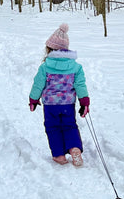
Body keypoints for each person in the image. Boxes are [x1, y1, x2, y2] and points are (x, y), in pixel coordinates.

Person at [28, 23, 90, 167]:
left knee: (53, 128)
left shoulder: (45, 67)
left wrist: (33, 99)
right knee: (70, 126)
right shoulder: (76, 67)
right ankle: (74, 147)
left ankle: (59, 155)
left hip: (50, 105)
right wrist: (84, 102)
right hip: (68, 104)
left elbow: (38, 84)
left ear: (50, 49)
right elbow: (80, 85)